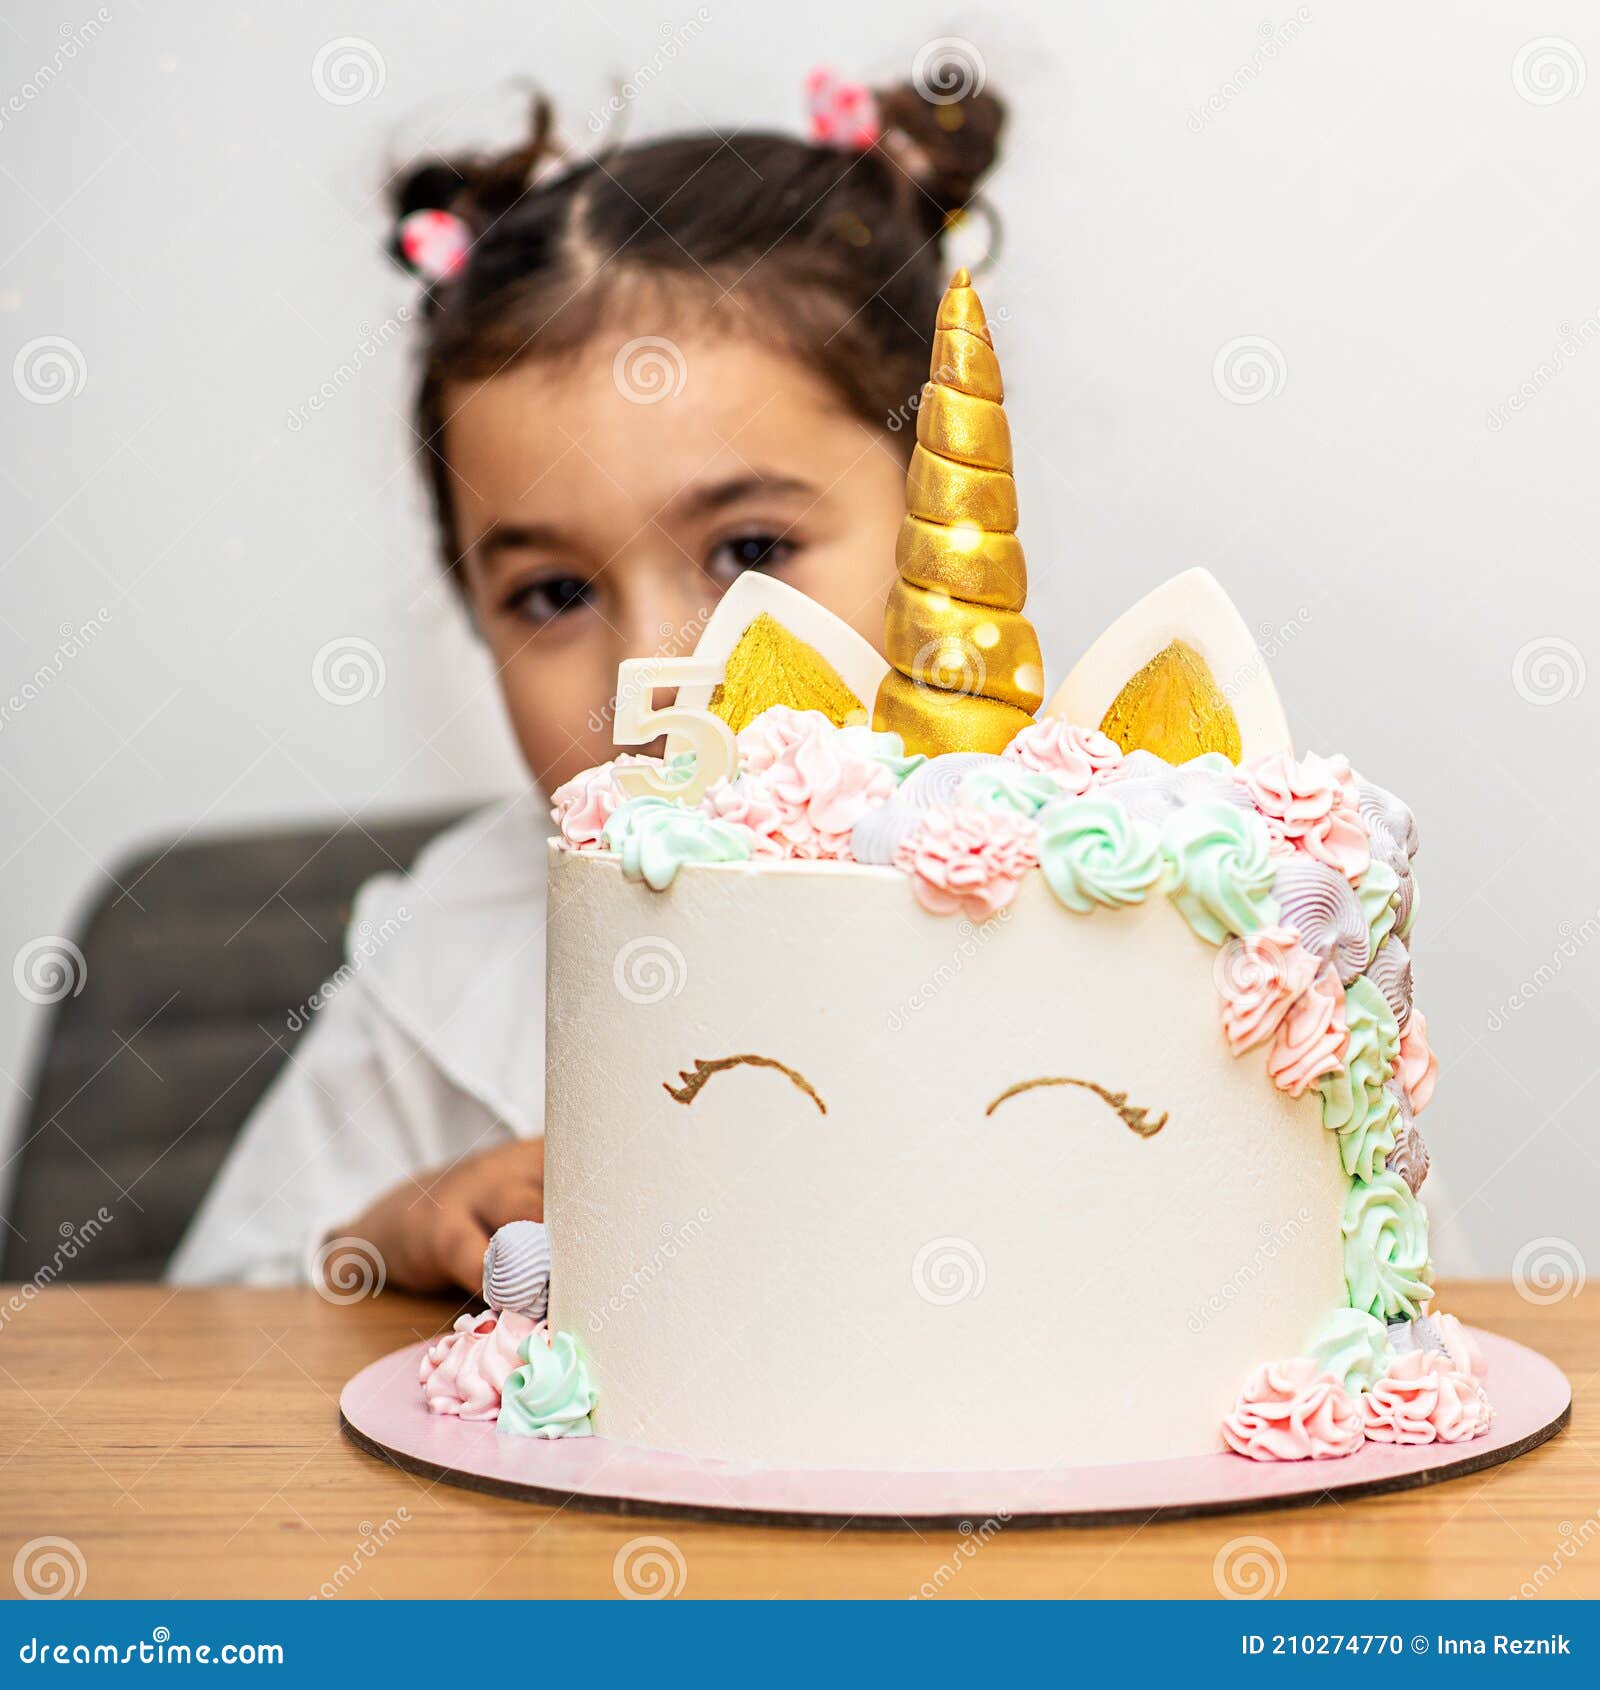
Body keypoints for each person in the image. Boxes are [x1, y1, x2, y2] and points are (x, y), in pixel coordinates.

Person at [167, 71, 1007, 1292]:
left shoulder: (1117, 901)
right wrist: (386, 1239)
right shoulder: (449, 953)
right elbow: (211, 1323)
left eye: (749, 554)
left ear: (950, 519)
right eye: (555, 594)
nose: (655, 675)